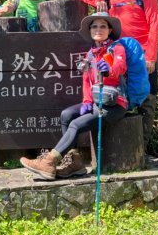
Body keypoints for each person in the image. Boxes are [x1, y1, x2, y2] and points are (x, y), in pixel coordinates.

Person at [20, 12, 128, 180]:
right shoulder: (91, 54)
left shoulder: (116, 48)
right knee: (66, 115)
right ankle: (75, 162)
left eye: (103, 26)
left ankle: (49, 162)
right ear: (90, 31)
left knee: (76, 124)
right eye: (94, 26)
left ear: (110, 30)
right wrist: (86, 101)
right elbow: (86, 80)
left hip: (114, 105)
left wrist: (109, 69)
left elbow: (120, 67)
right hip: (95, 102)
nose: (98, 29)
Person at [71, 0, 158, 149]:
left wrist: (151, 56)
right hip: (115, 55)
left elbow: (154, 22)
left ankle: (142, 149)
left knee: (146, 99)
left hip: (141, 56)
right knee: (117, 99)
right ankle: (120, 150)